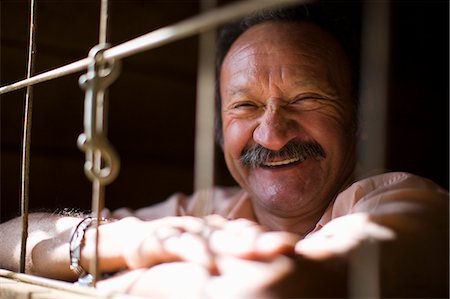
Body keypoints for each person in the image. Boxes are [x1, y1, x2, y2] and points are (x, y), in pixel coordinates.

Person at [1, 3, 448, 298]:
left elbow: (271, 288)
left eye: (307, 99)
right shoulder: (201, 208)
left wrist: (104, 278)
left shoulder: (411, 204)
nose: (272, 135)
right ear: (219, 131)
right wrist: (122, 240)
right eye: (245, 106)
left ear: (359, 121)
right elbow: (12, 239)